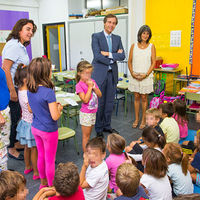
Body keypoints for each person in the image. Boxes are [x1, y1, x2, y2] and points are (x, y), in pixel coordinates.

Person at [2, 18, 37, 160]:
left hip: (19, 87)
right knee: (13, 117)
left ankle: (15, 142)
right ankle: (10, 148)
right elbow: (6, 68)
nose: (30, 32)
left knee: (17, 117)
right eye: (28, 29)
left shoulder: (20, 46)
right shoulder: (14, 45)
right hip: (12, 88)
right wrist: (11, 90)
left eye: (32, 30)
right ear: (19, 30)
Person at [27, 57, 63, 189]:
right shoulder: (48, 92)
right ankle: (51, 186)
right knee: (50, 160)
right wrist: (59, 109)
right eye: (50, 70)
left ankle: (43, 184)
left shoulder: (30, 89)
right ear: (44, 73)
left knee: (41, 156)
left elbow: (30, 109)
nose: (51, 72)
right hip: (49, 131)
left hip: (36, 128)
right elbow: (54, 116)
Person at [91, 14, 125, 137]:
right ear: (104, 23)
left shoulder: (117, 38)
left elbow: (122, 56)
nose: (111, 25)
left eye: (114, 23)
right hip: (100, 74)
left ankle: (107, 125)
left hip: (112, 74)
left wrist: (109, 54)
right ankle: (99, 128)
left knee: (110, 102)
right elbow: (97, 56)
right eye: (109, 22)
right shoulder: (96, 37)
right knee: (100, 102)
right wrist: (113, 57)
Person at [128, 25, 156, 130]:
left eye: (147, 33)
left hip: (146, 76)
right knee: (136, 97)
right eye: (144, 33)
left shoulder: (151, 46)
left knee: (144, 98)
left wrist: (146, 74)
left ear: (149, 35)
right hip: (135, 75)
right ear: (140, 34)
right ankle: (136, 119)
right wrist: (132, 73)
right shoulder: (133, 46)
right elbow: (129, 61)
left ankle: (144, 119)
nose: (145, 35)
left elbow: (153, 63)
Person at [14, 64, 39, 180]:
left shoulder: (20, 90)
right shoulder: (27, 94)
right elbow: (30, 109)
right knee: (34, 149)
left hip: (24, 122)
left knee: (26, 148)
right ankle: (36, 172)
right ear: (26, 79)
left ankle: (27, 166)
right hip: (30, 124)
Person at [76, 61, 102, 152]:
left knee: (89, 135)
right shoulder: (79, 85)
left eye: (90, 73)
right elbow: (85, 100)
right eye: (86, 73)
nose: (89, 76)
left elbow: (99, 94)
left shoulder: (92, 82)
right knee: (86, 137)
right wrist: (90, 87)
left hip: (93, 112)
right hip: (86, 113)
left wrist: (94, 86)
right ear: (79, 73)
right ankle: (86, 156)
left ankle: (88, 152)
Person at [0, 67, 10, 171]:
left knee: (3, 145)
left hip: (3, 109)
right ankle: (4, 178)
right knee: (2, 145)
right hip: (1, 111)